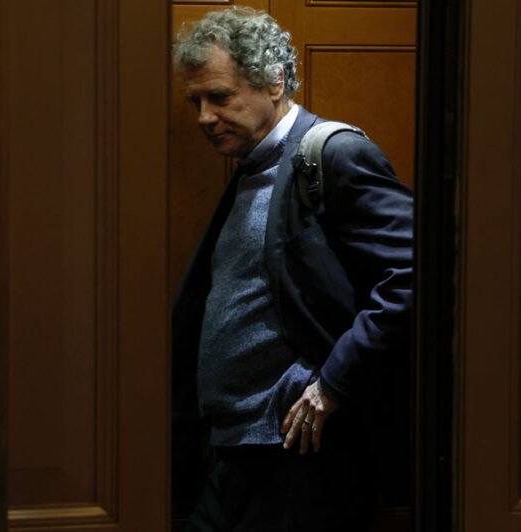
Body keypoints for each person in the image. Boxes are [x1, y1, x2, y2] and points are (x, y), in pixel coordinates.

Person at [170, 7, 413, 531]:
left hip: (300, 459)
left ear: (274, 80)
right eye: (196, 102)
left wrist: (332, 384)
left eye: (220, 97)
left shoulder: (335, 156)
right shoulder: (250, 168)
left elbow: (414, 275)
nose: (204, 118)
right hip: (231, 454)